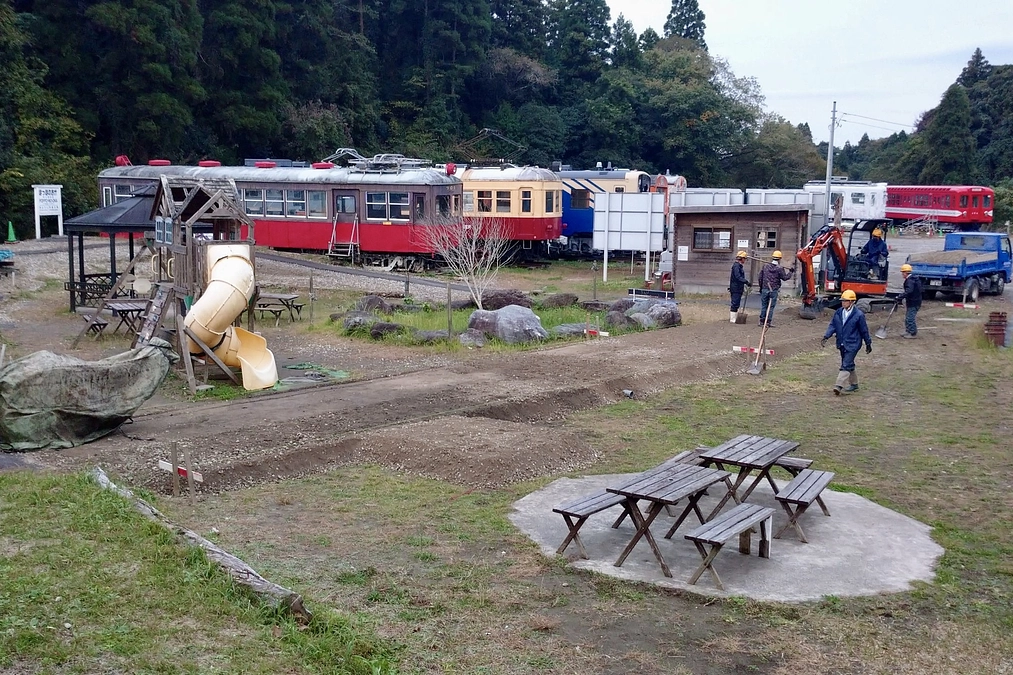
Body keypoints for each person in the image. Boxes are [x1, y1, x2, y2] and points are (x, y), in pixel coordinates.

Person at [821, 289, 872, 395]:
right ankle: (854, 384)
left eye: (845, 300)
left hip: (853, 343)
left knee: (845, 365)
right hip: (842, 343)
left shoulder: (859, 315)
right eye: (842, 300)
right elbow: (833, 325)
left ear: (852, 302)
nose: (843, 302)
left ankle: (838, 385)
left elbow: (864, 330)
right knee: (849, 363)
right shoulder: (839, 312)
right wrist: (826, 336)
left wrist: (868, 343)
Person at [757, 250, 795, 327]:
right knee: (771, 307)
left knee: (764, 305)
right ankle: (768, 322)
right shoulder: (780, 268)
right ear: (779, 259)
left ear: (773, 257)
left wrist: (761, 287)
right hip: (773, 290)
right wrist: (791, 272)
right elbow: (785, 278)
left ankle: (761, 321)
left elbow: (760, 277)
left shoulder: (765, 266)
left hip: (765, 288)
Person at [897, 263, 923, 338]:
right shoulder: (914, 279)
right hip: (913, 301)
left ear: (905, 273)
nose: (902, 274)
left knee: (910, 318)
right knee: (908, 317)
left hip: (914, 302)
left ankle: (912, 333)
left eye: (902, 273)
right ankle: (908, 331)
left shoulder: (910, 281)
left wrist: (900, 296)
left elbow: (909, 291)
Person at [728, 251, 751, 323]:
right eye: (744, 258)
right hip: (735, 287)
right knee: (735, 303)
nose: (745, 260)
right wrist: (746, 282)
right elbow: (738, 277)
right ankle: (732, 319)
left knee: (736, 303)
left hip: (738, 287)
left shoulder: (739, 266)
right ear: (741, 259)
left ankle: (734, 317)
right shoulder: (736, 266)